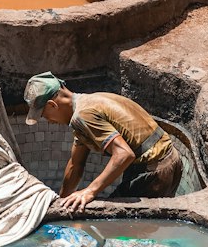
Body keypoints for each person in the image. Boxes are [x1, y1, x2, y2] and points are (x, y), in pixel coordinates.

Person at [24, 73, 182, 211]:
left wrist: (90, 191)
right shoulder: (90, 101)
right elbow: (75, 164)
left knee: (123, 230)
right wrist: (62, 203)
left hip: (155, 171)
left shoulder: (83, 115)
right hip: (171, 159)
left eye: (44, 115)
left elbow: (124, 154)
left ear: (53, 105)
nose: (49, 121)